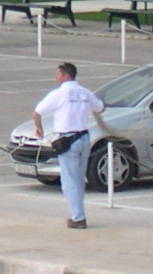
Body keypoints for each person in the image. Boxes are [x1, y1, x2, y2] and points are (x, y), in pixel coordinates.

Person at [32, 61, 104, 230]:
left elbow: (37, 112)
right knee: (78, 179)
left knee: (69, 181)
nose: (56, 77)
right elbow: (100, 108)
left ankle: (78, 217)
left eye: (58, 73)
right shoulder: (85, 92)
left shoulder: (59, 94)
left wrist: (39, 128)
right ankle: (78, 213)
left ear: (66, 75)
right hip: (84, 138)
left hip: (68, 140)